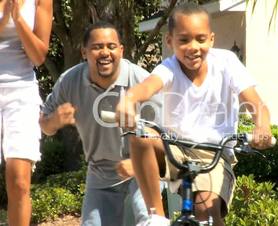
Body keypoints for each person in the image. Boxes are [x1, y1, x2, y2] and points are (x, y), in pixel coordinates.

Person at [116, 3, 273, 226]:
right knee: (141, 136)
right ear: (169, 42)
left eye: (200, 39)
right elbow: (147, 87)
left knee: (206, 212)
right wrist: (129, 100)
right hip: (175, 150)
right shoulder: (168, 68)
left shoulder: (227, 62)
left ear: (211, 39)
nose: (193, 47)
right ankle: (156, 217)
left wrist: (262, 126)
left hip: (214, 155)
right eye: (183, 40)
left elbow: (256, 103)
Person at [39, 21, 161, 226]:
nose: (105, 52)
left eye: (111, 46)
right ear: (84, 52)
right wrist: (55, 120)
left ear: (121, 51)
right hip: (100, 171)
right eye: (97, 47)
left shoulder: (141, 80)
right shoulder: (69, 81)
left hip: (143, 166)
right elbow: (45, 126)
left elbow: (166, 135)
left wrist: (139, 162)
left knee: (150, 221)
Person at [0, 0, 52, 225]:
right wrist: (4, 20)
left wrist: (19, 19)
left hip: (21, 90)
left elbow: (38, 56)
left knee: (20, 181)